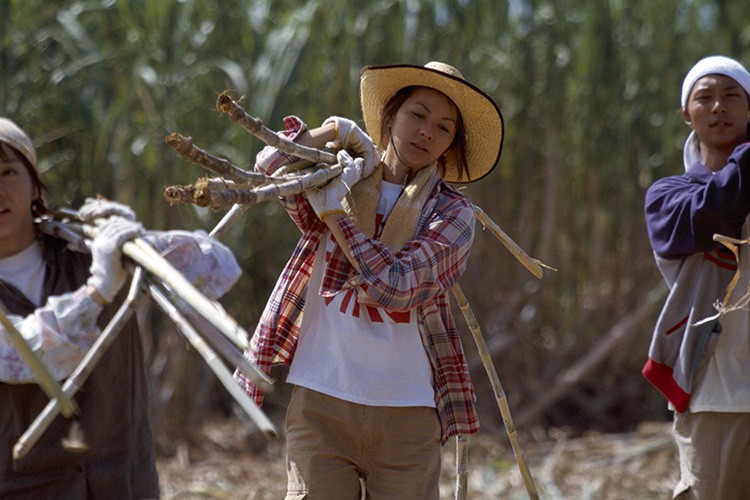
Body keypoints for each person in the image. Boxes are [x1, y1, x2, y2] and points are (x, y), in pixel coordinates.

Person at [235, 61, 504, 498]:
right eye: (417, 114)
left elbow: (396, 288)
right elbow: (269, 167)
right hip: (321, 401)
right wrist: (333, 132)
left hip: (407, 413)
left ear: (451, 143)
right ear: (390, 115)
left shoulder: (452, 215)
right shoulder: (340, 175)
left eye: (443, 127)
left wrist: (337, 218)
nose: (426, 133)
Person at [0, 117, 242, 499]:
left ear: (34, 186)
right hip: (28, 489)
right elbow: (27, 354)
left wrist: (138, 242)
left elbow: (218, 268)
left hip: (124, 482)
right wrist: (98, 290)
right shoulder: (100, 271)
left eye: (7, 172)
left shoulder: (92, 251)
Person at [643, 55, 750, 499]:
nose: (718, 107)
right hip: (718, 395)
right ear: (687, 114)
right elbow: (719, 210)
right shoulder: (669, 196)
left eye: (732, 97)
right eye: (705, 97)